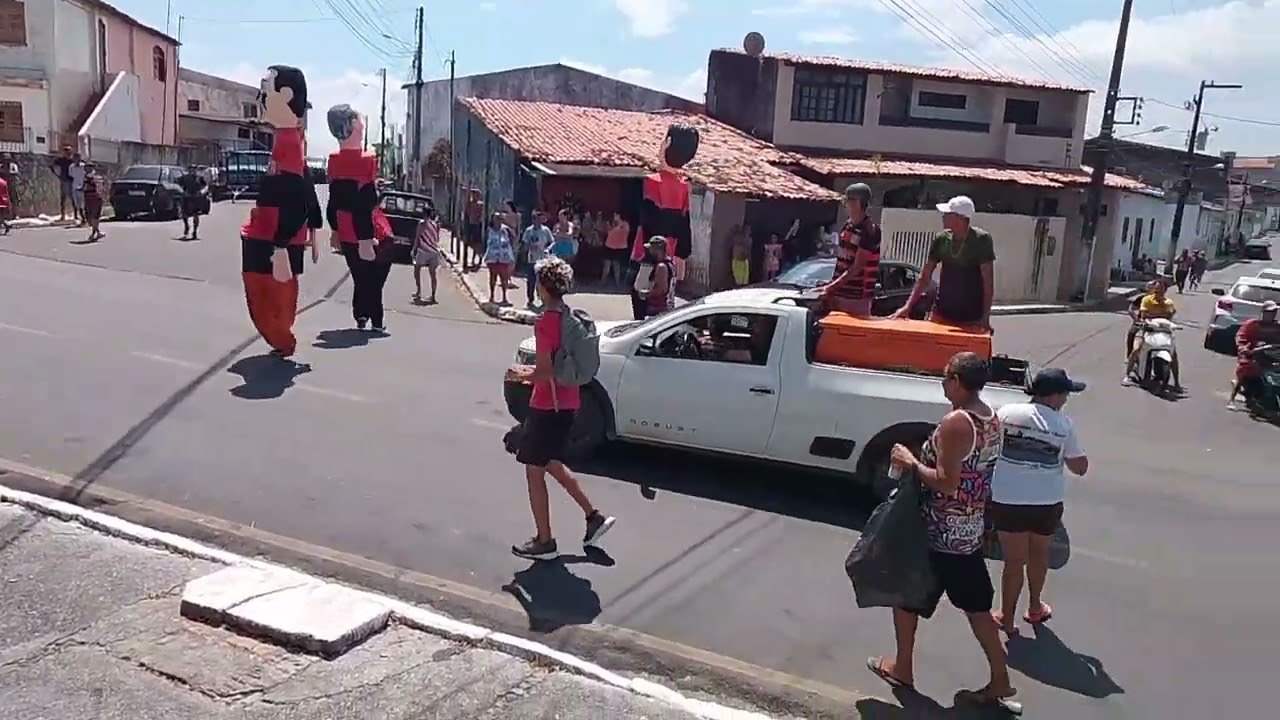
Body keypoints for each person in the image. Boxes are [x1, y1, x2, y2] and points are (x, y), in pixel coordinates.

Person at [871, 351, 1016, 711]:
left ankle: (906, 668)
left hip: (941, 531)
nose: (942, 382)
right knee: (971, 605)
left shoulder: (957, 422)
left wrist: (911, 462)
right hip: (966, 529)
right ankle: (995, 678)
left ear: (955, 380)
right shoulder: (991, 418)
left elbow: (947, 482)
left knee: (911, 593)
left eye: (945, 376)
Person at [505, 257, 616, 560]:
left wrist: (517, 374)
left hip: (547, 405)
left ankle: (544, 541)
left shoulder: (546, 323)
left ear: (542, 286)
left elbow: (543, 372)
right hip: (568, 402)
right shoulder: (570, 317)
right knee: (550, 462)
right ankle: (593, 517)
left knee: (533, 470)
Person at [990, 368, 1089, 636]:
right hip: (1046, 502)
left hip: (1007, 498)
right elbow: (1080, 467)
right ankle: (1035, 607)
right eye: (1065, 393)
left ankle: (1006, 618)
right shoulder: (1064, 425)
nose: (1067, 398)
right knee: (1039, 554)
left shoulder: (1006, 413)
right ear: (1054, 396)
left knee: (1013, 561)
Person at [241, 65, 323, 359]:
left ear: (285, 95)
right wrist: (315, 224)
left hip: (273, 235)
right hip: (271, 232)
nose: (260, 99)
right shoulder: (290, 139)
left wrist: (281, 245)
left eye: (265, 91)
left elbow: (296, 194)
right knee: (271, 294)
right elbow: (305, 185)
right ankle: (282, 338)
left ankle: (283, 339)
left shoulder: (289, 142)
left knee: (265, 296)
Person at [326, 103, 394, 332]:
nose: (362, 124)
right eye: (359, 120)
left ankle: (362, 315)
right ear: (354, 124)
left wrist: (334, 229)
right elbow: (364, 201)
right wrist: (366, 238)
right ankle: (374, 317)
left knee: (359, 274)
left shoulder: (334, 159)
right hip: (368, 229)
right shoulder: (368, 158)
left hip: (345, 229)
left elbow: (337, 197)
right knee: (376, 272)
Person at [895, 196, 995, 333]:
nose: (943, 217)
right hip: (941, 313)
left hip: (970, 317)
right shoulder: (941, 239)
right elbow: (925, 277)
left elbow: (988, 283)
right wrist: (907, 307)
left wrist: (985, 318)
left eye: (947, 214)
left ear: (959, 218)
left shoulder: (981, 240)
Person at [819, 182, 880, 317]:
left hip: (857, 297)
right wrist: (831, 285)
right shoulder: (848, 225)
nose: (845, 205)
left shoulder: (870, 230)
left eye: (848, 200)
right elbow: (843, 261)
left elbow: (857, 267)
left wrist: (830, 288)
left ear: (858, 203)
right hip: (839, 294)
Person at [1124, 278, 1180, 390]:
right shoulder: (1146, 300)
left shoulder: (1169, 302)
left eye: (1161, 289)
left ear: (1165, 290)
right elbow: (1144, 315)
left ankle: (1177, 383)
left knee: (1173, 354)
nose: (1158, 291)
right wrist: (1141, 320)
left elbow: (1169, 317)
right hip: (1145, 329)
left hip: (1162, 331)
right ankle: (1128, 375)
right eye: (1156, 288)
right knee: (1137, 349)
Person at [1230, 300, 1280, 410]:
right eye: (1269, 312)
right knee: (1247, 368)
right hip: (1253, 354)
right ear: (1263, 312)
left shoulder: (1277, 327)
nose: (1271, 315)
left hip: (1272, 356)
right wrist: (1244, 349)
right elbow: (1241, 337)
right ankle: (1232, 399)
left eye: (1274, 312)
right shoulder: (1252, 324)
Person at [521, 210, 555, 307]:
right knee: (531, 281)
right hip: (531, 259)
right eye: (535, 219)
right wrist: (526, 250)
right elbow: (525, 243)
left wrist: (547, 249)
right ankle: (530, 299)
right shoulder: (529, 231)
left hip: (542, 259)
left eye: (539, 219)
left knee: (541, 281)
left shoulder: (545, 230)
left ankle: (542, 299)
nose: (537, 221)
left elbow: (552, 242)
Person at [634, 236, 674, 318]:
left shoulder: (661, 267)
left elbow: (661, 290)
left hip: (658, 308)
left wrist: (644, 294)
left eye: (651, 248)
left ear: (658, 250)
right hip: (666, 307)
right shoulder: (670, 264)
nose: (649, 251)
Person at [483, 211, 516, 305]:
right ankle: (492, 295)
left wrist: (509, 250)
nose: (498, 221)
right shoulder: (489, 230)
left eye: (499, 218)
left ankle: (504, 297)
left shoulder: (506, 229)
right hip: (492, 257)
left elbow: (513, 238)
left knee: (504, 278)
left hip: (503, 257)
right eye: (496, 218)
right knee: (492, 277)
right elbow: (485, 241)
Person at [411, 208, 441, 304]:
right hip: (434, 251)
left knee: (417, 269)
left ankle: (419, 291)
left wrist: (414, 249)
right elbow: (437, 238)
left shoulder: (421, 224)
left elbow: (417, 238)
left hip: (424, 250)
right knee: (433, 274)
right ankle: (433, 295)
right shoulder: (435, 224)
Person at [1125, 280, 1159, 360]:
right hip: (1141, 322)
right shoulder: (1141, 298)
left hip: (1156, 323)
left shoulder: (1161, 300)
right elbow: (1131, 309)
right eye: (1149, 288)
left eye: (1153, 288)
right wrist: (1136, 318)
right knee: (1131, 333)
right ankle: (1129, 355)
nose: (1151, 290)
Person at [176, 164, 207, 240]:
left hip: (196, 198)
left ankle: (195, 232)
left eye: (194, 170)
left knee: (196, 215)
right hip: (187, 197)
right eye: (190, 170)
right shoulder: (185, 178)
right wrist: (182, 191)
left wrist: (201, 192)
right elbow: (177, 184)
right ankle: (186, 226)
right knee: (184, 214)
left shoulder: (199, 178)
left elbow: (205, 186)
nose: (192, 171)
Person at [601, 211, 631, 286]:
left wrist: (618, 225)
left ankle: (618, 283)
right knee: (606, 266)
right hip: (609, 246)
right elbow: (608, 232)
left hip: (619, 247)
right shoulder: (612, 223)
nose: (614, 217)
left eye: (616, 215)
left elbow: (621, 232)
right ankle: (602, 282)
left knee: (616, 266)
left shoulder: (625, 224)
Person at [50, 146, 75, 222]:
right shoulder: (61, 160)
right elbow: (51, 166)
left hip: (70, 181)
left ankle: (75, 214)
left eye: (69, 152)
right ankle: (63, 215)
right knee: (63, 199)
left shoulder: (72, 161)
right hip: (64, 180)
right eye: (66, 152)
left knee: (72, 198)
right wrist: (57, 175)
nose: (68, 153)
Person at [81, 162, 105, 242]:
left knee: (93, 216)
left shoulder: (89, 177)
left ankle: (96, 232)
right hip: (94, 197)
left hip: (92, 197)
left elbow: (88, 186)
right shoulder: (98, 177)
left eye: (88, 167)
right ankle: (96, 233)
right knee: (93, 216)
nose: (86, 169)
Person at [464, 189, 485, 269]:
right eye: (473, 195)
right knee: (470, 243)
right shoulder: (469, 204)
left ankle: (478, 259)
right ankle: (472, 259)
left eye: (476, 195)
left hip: (477, 225)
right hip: (470, 225)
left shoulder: (480, 205)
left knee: (477, 244)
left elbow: (481, 215)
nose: (474, 196)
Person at [68, 154, 86, 226]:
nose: (76, 160)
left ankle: (86, 218)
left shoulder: (83, 166)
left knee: (84, 204)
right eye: (75, 158)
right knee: (78, 204)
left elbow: (86, 176)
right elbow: (71, 177)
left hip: (83, 187)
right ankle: (82, 218)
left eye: (78, 158)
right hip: (75, 187)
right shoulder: (71, 167)